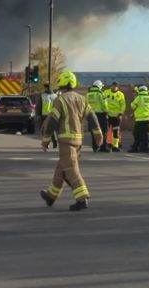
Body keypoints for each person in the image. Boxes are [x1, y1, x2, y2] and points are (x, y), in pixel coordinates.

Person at [39, 71, 102, 211]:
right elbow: (92, 118)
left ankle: (82, 198)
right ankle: (50, 197)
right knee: (61, 169)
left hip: (66, 140)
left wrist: (46, 140)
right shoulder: (82, 99)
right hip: (78, 140)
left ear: (62, 83)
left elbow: (52, 122)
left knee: (71, 170)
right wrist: (98, 135)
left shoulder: (60, 100)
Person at [129, 85, 149, 153]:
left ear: (139, 90)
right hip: (147, 119)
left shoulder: (139, 98)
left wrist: (133, 102)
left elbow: (133, 106)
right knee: (144, 134)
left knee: (137, 134)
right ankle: (143, 148)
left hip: (139, 120)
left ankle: (136, 148)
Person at [104, 81, 127, 152]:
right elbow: (103, 102)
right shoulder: (106, 92)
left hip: (116, 116)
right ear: (111, 86)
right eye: (113, 86)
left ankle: (115, 146)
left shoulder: (120, 94)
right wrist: (105, 112)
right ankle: (106, 144)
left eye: (115, 86)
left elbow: (123, 104)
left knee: (116, 131)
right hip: (107, 115)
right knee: (105, 130)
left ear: (117, 87)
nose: (114, 87)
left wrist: (120, 114)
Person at [86, 80, 108, 152]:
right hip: (100, 114)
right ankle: (103, 147)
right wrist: (106, 112)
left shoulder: (88, 94)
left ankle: (95, 147)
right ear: (99, 86)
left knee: (93, 131)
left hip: (90, 114)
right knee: (103, 130)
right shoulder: (100, 93)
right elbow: (104, 104)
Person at [40, 84, 58, 149]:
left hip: (45, 114)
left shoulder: (43, 95)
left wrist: (38, 115)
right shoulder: (55, 96)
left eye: (44, 88)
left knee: (44, 130)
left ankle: (46, 144)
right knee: (51, 128)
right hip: (54, 114)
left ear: (46, 88)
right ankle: (54, 140)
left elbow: (39, 106)